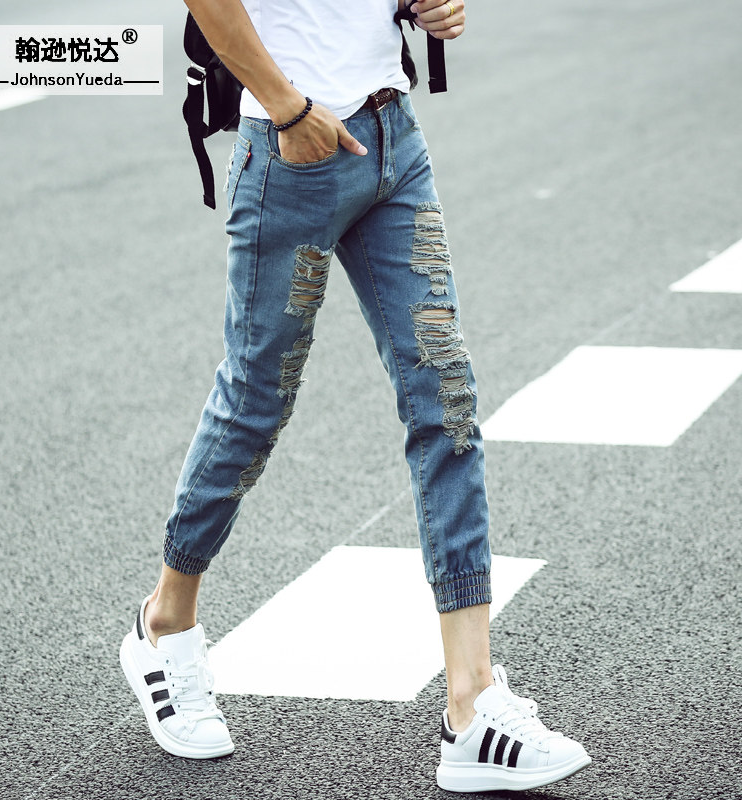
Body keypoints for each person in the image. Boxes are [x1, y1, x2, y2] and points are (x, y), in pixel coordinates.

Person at [120, 0, 592, 792]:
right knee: (256, 402)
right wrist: (286, 106)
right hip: (290, 155)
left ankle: (472, 705)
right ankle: (165, 623)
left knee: (446, 398)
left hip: (391, 137)